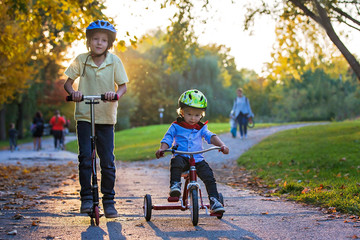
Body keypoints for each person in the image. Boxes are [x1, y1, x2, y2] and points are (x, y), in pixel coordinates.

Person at [64, 20, 128, 218]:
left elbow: (123, 86)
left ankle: (108, 200)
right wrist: (73, 92)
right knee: (85, 158)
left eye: (103, 40)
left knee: (107, 161)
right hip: (84, 116)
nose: (99, 43)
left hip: (106, 117)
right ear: (89, 41)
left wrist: (115, 94)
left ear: (108, 43)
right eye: (95, 39)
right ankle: (87, 199)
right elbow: (68, 83)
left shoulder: (114, 61)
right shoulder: (81, 60)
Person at [155, 89, 229, 214]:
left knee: (209, 177)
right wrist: (162, 149)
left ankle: (214, 201)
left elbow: (210, 136)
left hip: (198, 160)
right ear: (182, 112)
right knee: (176, 162)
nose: (193, 118)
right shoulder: (175, 126)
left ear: (201, 115)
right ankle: (175, 186)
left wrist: (222, 145)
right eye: (189, 114)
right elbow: (168, 138)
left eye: (197, 115)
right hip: (182, 158)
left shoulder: (201, 128)